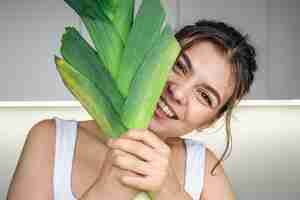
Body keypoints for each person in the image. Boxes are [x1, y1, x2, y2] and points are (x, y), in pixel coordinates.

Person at [7, 19, 257, 200]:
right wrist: (106, 192)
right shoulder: (51, 139)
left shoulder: (204, 170)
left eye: (204, 96)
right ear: (153, 57)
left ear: (209, 121)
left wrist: (169, 191)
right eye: (179, 66)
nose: (178, 92)